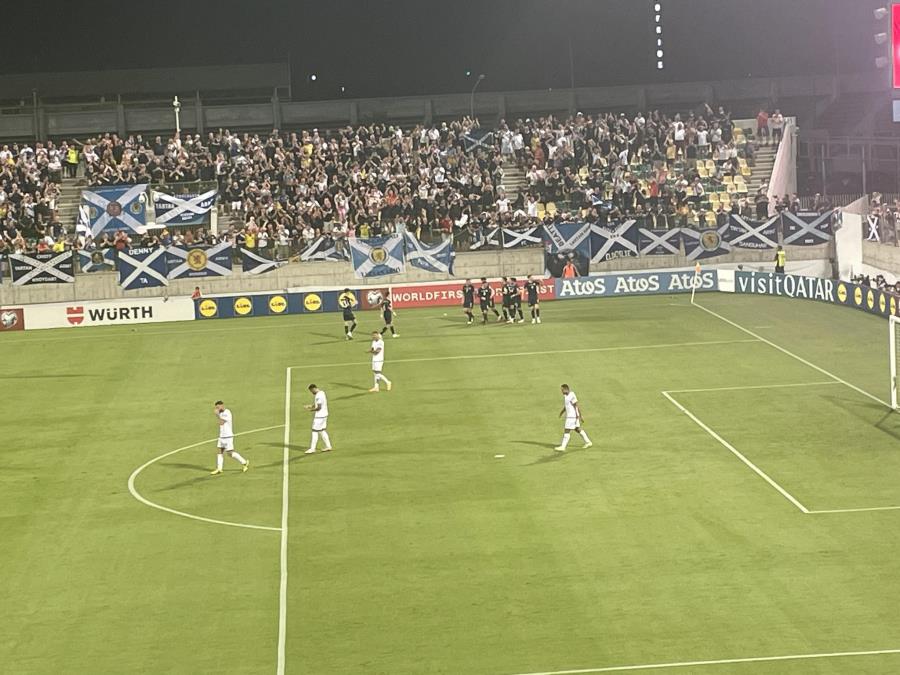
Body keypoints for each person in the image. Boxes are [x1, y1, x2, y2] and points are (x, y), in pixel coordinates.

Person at [210, 400, 249, 474]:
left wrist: (217, 415)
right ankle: (219, 469)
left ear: (222, 405)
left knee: (230, 453)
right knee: (219, 451)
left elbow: (221, 422)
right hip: (222, 436)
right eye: (216, 408)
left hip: (228, 436)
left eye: (218, 407)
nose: (217, 409)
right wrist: (218, 415)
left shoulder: (227, 412)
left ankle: (244, 462)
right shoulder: (221, 413)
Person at [555, 384, 593, 452]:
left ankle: (563, 447)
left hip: (572, 416)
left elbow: (576, 405)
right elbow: (566, 406)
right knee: (577, 429)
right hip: (572, 416)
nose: (561, 391)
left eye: (562, 390)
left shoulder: (572, 395)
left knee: (567, 430)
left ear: (566, 389)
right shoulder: (566, 396)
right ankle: (588, 442)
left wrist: (580, 416)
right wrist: (562, 412)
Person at [304, 384, 333, 454]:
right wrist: (311, 406)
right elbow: (318, 403)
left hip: (319, 417)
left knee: (314, 431)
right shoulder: (322, 392)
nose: (311, 392)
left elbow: (319, 407)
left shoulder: (318, 396)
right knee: (322, 431)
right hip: (324, 415)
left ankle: (312, 448)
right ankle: (328, 446)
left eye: (311, 391)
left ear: (313, 389)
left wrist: (311, 410)